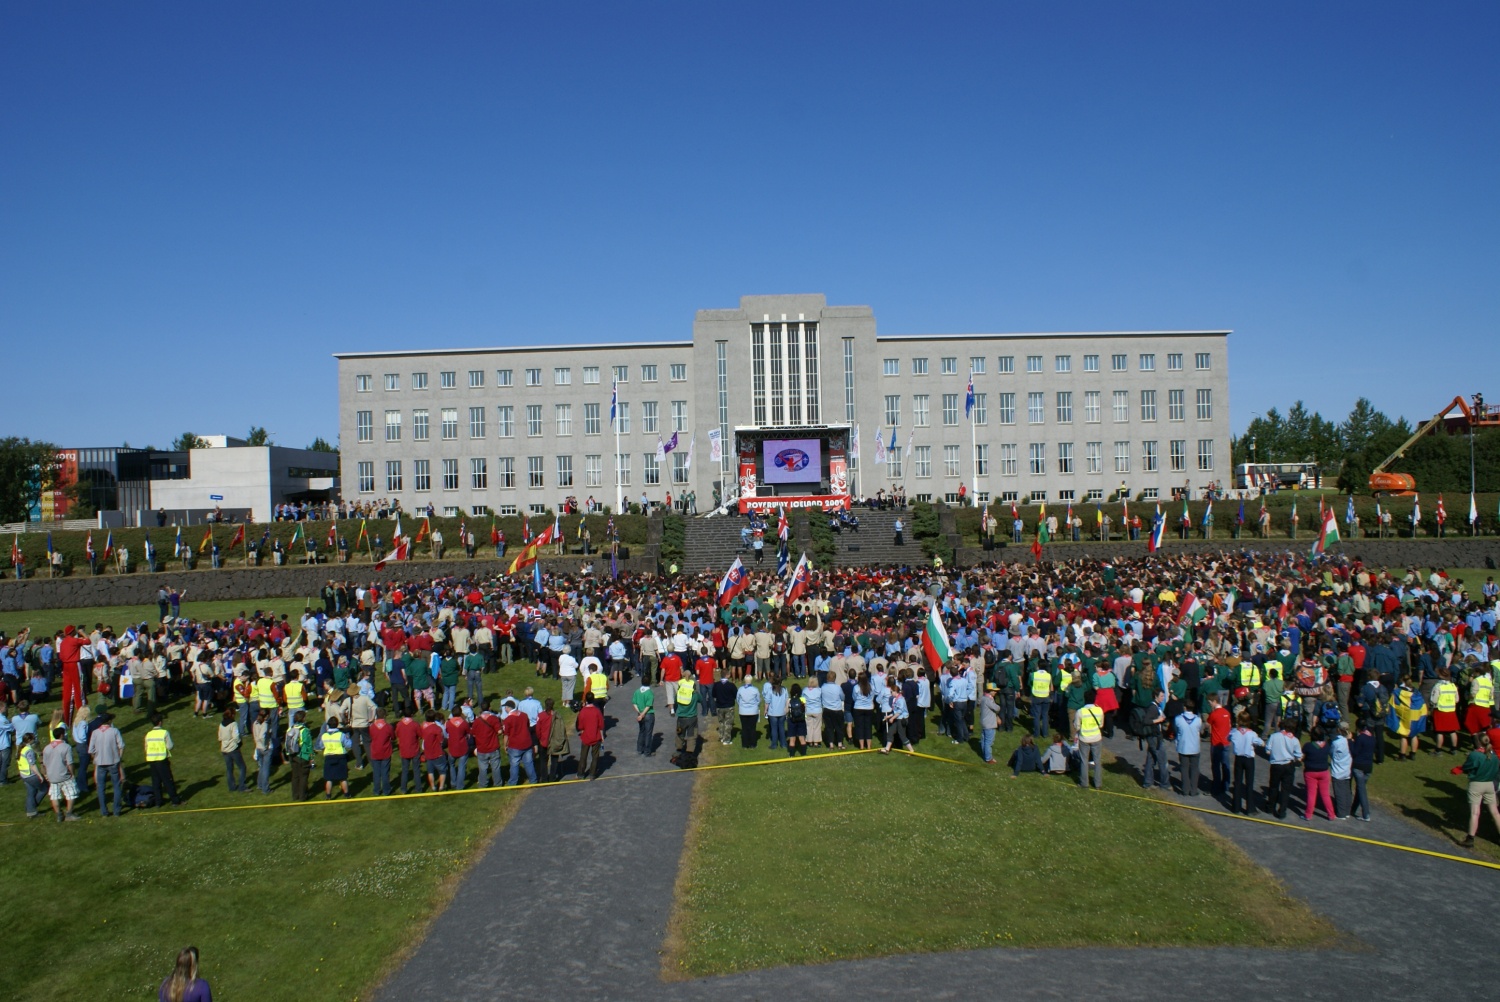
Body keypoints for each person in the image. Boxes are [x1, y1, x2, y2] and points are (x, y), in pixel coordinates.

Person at [1457, 732, 1500, 848]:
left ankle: (1470, 839)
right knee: (1495, 812)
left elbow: (1467, 767)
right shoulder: (1494, 755)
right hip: (1489, 784)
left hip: (1476, 784)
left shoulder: (1475, 755)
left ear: (1478, 742)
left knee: (1475, 812)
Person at [1265, 720, 1303, 819]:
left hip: (1276, 765)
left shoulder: (1274, 736)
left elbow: (1267, 750)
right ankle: (1282, 811)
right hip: (1288, 765)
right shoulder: (1294, 740)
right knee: (1286, 789)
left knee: (1273, 787)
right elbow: (1299, 756)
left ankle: (1270, 807)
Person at [42, 725, 80, 821]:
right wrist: (72, 774)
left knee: (54, 796)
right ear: (62, 735)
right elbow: (69, 763)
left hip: (52, 776)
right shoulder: (66, 747)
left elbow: (44, 764)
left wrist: (46, 774)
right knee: (71, 794)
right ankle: (69, 814)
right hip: (64, 775)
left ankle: (59, 815)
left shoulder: (47, 748)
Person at [144, 713, 181, 806]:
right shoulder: (164, 733)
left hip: (152, 760)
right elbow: (170, 746)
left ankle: (158, 802)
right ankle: (175, 800)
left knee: (156, 782)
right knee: (168, 781)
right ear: (160, 722)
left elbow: (145, 747)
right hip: (162, 759)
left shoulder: (148, 734)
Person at [502, 699, 537, 785]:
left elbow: (506, 734)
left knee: (514, 765)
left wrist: (505, 745)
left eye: (505, 707)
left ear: (508, 708)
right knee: (529, 763)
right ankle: (533, 780)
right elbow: (527, 726)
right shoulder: (524, 715)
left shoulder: (507, 719)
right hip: (527, 743)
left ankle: (513, 783)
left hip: (515, 745)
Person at [1174, 703, 1205, 796]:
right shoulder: (1198, 719)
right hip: (1194, 747)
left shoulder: (1178, 719)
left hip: (1183, 747)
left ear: (1185, 707)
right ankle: (1193, 789)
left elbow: (1176, 730)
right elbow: (1200, 731)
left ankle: (1185, 789)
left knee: (1184, 768)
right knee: (1195, 768)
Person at [217, 709, 247, 795]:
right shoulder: (233, 724)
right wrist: (239, 744)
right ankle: (242, 786)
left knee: (229, 769)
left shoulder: (221, 724)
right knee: (242, 767)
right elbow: (236, 737)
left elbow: (219, 737)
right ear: (232, 715)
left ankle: (231, 786)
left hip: (224, 750)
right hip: (233, 749)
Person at [320, 716, 350, 799]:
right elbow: (349, 744)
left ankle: (328, 796)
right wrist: (348, 735)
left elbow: (320, 745)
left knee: (329, 778)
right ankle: (347, 795)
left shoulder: (324, 736)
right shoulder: (341, 735)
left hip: (329, 757)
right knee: (343, 777)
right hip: (340, 757)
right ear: (337, 725)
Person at [577, 693, 605, 779]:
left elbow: (580, 725)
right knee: (595, 757)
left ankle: (581, 773)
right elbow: (601, 724)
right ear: (593, 699)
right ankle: (592, 774)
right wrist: (602, 736)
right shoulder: (597, 711)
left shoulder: (583, 711)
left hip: (586, 736)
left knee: (583, 756)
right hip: (596, 736)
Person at [369, 706, 395, 795]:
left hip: (375, 751)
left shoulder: (372, 727)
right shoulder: (388, 727)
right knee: (385, 772)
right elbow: (393, 737)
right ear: (384, 716)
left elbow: (371, 737)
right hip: (385, 752)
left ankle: (376, 790)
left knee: (376, 772)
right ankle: (386, 790)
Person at [632, 678, 655, 756]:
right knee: (648, 733)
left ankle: (639, 749)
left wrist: (639, 713)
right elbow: (648, 705)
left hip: (640, 714)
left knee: (641, 731)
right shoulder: (649, 693)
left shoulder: (637, 692)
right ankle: (647, 751)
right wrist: (643, 714)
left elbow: (634, 703)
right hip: (648, 714)